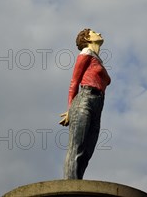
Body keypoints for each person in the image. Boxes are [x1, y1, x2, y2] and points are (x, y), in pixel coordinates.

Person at [60, 29, 111, 179]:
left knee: (87, 151)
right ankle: (70, 188)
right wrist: (70, 109)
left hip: (98, 104)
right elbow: (74, 82)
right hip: (85, 100)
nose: (99, 33)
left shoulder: (96, 59)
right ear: (88, 38)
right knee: (77, 147)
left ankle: (78, 183)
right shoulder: (86, 53)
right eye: (94, 32)